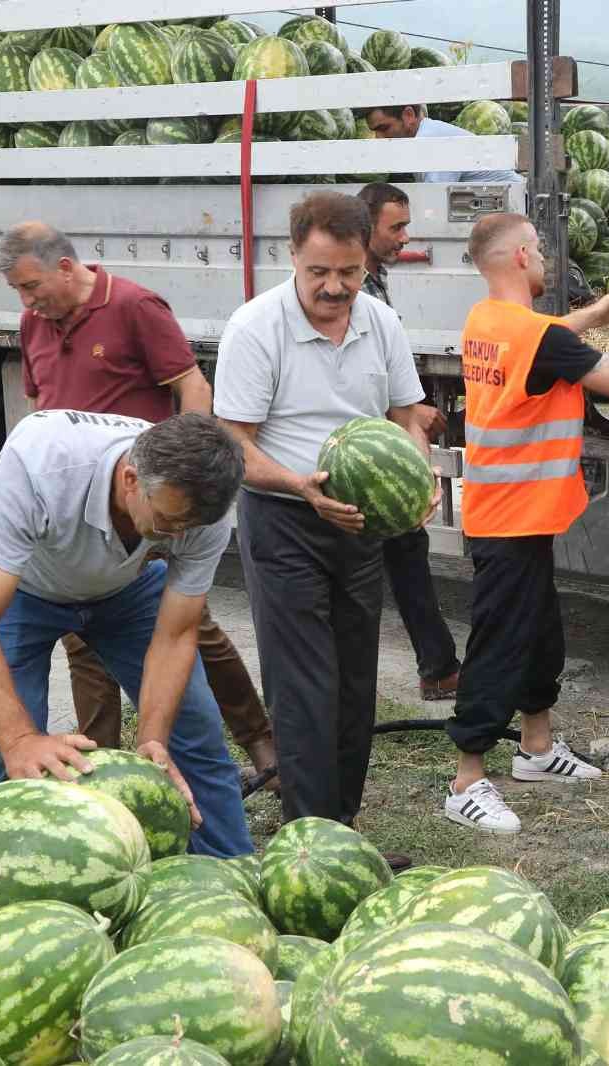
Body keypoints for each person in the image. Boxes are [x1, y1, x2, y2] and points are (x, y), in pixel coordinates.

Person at [444, 211, 609, 834]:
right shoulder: (533, 336)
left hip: (512, 512)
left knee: (540, 635)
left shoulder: (487, 320)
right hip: (510, 517)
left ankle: (537, 751)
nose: (543, 258)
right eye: (537, 248)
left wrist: (592, 316)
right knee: (500, 642)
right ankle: (466, 778)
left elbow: (541, 341)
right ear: (518, 257)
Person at [0, 221, 279, 790]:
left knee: (192, 631)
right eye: (19, 292)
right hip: (74, 503)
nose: (26, 300)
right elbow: (36, 401)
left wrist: (184, 477)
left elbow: (193, 388)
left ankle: (259, 742)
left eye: (31, 286)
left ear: (66, 267)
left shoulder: (134, 306)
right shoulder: (34, 323)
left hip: (154, 495)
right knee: (84, 647)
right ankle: (100, 769)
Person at [213, 191, 437, 833]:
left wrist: (417, 471)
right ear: (292, 257)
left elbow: (404, 417)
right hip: (284, 517)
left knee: (353, 679)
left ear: (365, 260)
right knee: (304, 683)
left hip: (360, 523)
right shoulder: (257, 328)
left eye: (348, 272)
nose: (335, 288)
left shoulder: (381, 324)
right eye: (319, 273)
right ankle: (310, 835)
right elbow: (235, 441)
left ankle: (343, 822)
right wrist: (300, 485)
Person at [0, 410, 255, 857]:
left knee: (194, 728)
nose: (179, 536)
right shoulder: (41, 464)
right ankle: (1, 878)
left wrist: (152, 739)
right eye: (169, 524)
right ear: (131, 479)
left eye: (189, 527)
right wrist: (19, 740)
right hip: (20, 585)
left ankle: (230, 872)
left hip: (124, 588)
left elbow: (177, 634)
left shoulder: (201, 511)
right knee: (14, 749)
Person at [356, 182, 463, 700]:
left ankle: (438, 666)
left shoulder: (375, 282)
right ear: (365, 226)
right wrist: (408, 415)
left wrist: (410, 411)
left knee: (406, 554)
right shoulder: (357, 289)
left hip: (384, 440)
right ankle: (436, 667)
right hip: (371, 447)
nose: (405, 237)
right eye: (395, 227)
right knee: (399, 556)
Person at [361, 104, 523, 184]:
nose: (378, 138)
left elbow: (435, 202)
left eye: (384, 128)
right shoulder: (427, 135)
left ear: (408, 116)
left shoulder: (433, 142)